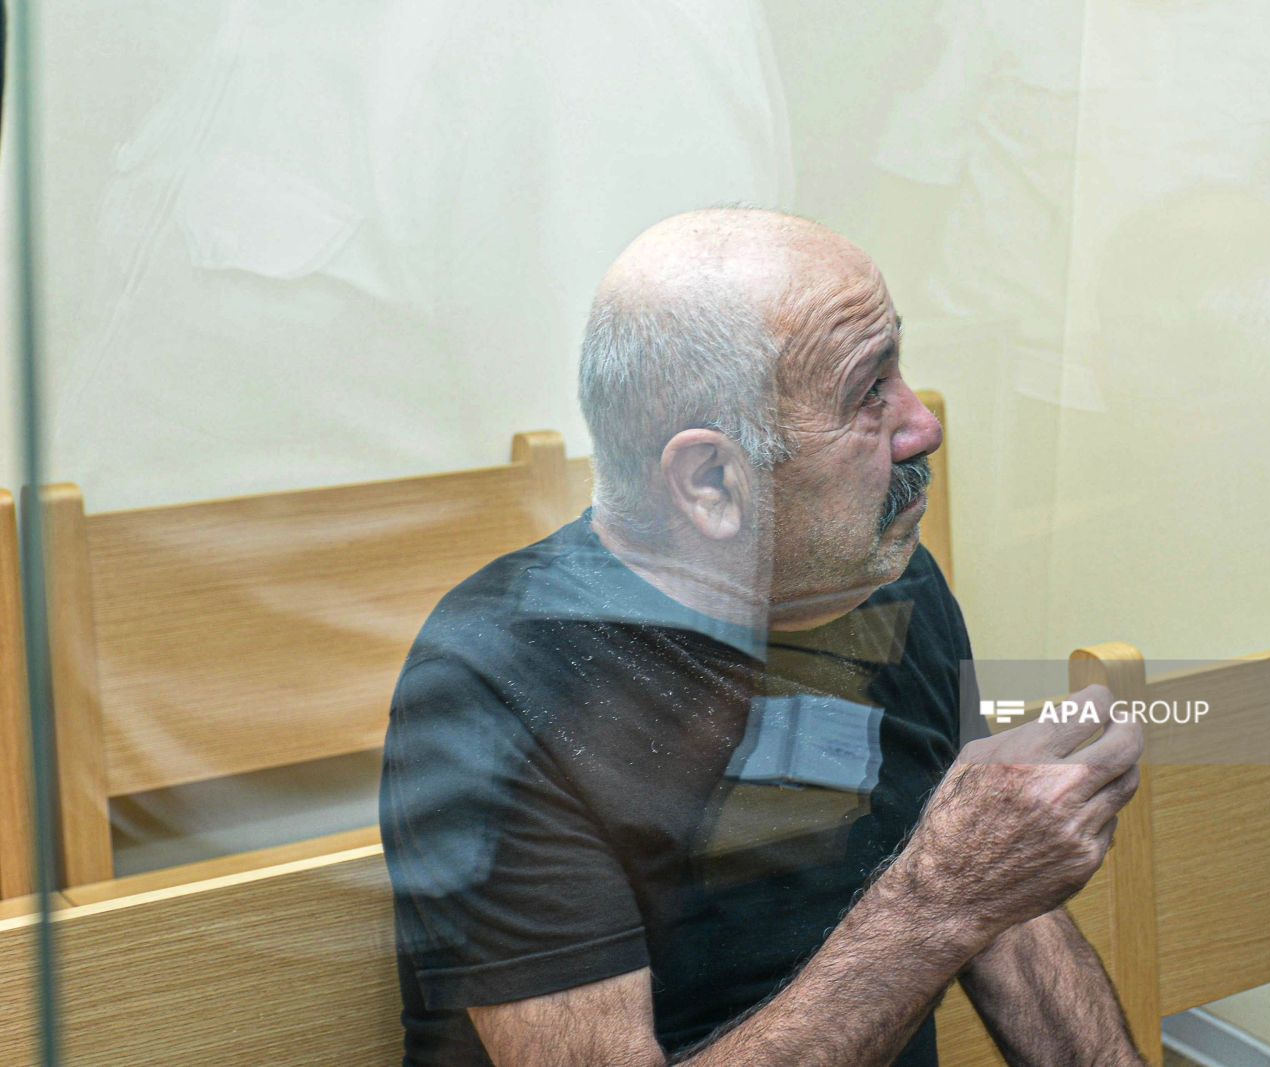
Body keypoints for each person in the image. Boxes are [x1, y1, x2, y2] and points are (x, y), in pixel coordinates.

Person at [379, 208, 1145, 1066]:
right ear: (712, 481)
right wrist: (940, 900)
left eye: (897, 366)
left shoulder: (881, 579)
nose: (922, 425)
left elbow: (999, 901)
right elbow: (961, 882)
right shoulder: (493, 684)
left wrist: (976, 876)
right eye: (868, 393)